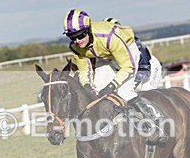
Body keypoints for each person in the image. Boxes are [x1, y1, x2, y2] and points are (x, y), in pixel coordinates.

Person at [63, 9, 166, 142]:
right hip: (111, 59)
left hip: (131, 54)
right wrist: (87, 85)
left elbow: (127, 66)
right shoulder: (76, 47)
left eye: (80, 35)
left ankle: (158, 120)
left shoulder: (108, 37)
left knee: (124, 91)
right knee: (98, 89)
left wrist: (112, 85)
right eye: (72, 37)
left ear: (88, 30)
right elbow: (84, 71)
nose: (77, 41)